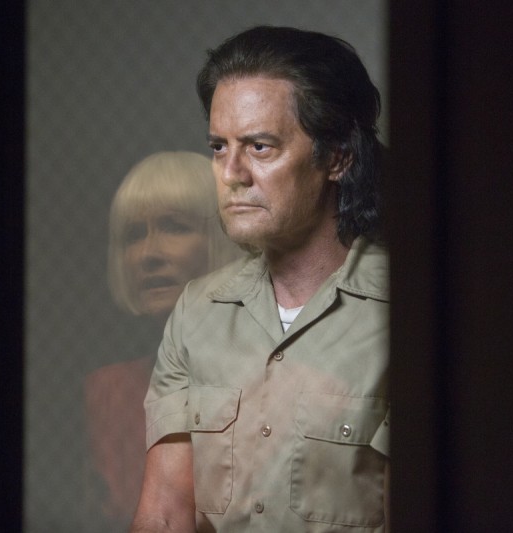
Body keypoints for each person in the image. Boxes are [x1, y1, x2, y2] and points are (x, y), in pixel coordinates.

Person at [130, 26, 390, 532]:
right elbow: (163, 514)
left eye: (260, 147)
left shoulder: (404, 315)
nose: (232, 173)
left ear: (337, 157)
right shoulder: (198, 311)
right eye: (218, 146)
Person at [84, 151, 243, 529]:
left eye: (174, 227)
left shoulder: (274, 373)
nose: (148, 255)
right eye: (134, 236)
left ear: (222, 238)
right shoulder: (109, 391)